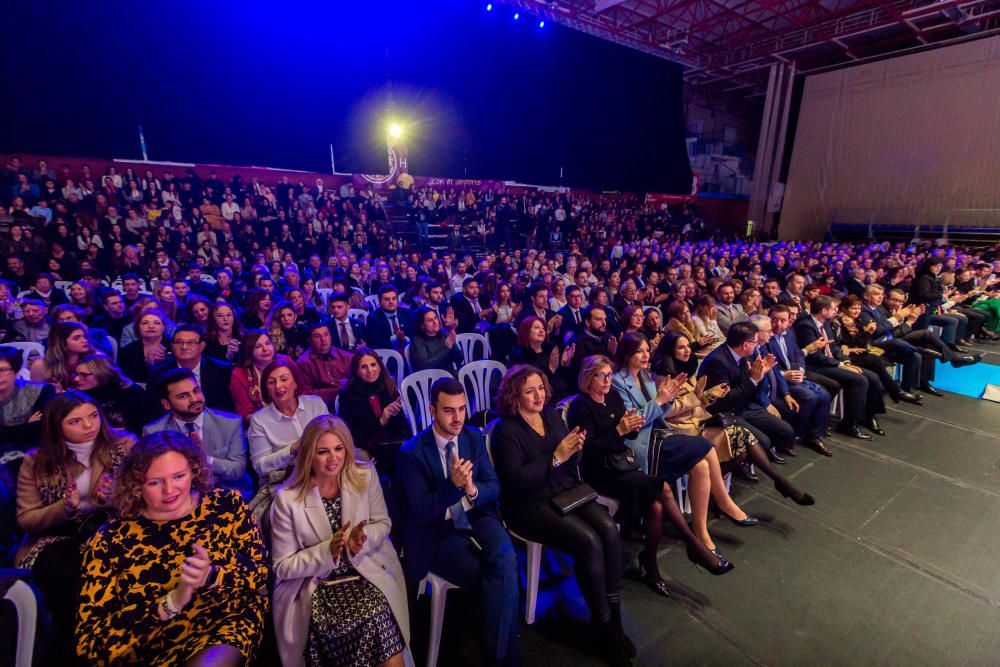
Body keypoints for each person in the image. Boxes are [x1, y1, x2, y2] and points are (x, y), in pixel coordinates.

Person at [490, 365, 641, 666]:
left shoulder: (550, 417)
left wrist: (575, 450)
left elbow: (570, 463)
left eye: (541, 388)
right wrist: (556, 457)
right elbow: (516, 482)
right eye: (529, 390)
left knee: (609, 529)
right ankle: (602, 624)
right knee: (587, 542)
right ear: (514, 394)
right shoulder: (505, 431)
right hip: (529, 504)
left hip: (565, 489)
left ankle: (614, 618)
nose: (538, 395)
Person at [76, 431, 269, 666]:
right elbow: (91, 646)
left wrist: (211, 576)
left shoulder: (226, 504)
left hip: (224, 623)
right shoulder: (110, 540)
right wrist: (170, 603)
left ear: (194, 471)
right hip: (148, 648)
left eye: (179, 476)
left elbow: (259, 572)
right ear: (136, 485)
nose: (170, 490)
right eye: (155, 482)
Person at [568, 354, 736, 598]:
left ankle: (651, 565)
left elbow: (629, 437)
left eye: (608, 374)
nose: (606, 380)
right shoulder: (580, 407)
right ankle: (693, 546)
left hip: (622, 464)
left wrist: (632, 427)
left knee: (657, 508)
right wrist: (619, 430)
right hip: (599, 473)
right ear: (587, 379)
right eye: (600, 376)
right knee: (664, 488)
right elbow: (588, 453)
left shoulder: (613, 397)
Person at [396, 378, 521, 667]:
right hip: (437, 532)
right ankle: (505, 659)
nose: (458, 418)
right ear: (432, 410)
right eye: (449, 411)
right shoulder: (411, 453)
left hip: (477, 514)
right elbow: (423, 511)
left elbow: (494, 486)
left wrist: (472, 490)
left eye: (462, 409)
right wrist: (453, 485)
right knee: (500, 580)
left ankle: (498, 656)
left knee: (506, 561)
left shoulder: (473, 437)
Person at [271, 415, 410, 667]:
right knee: (365, 620)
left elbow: (383, 522)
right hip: (316, 586)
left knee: (377, 613)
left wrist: (362, 539)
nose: (333, 458)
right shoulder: (286, 499)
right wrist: (328, 551)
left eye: (339, 449)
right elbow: (282, 566)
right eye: (323, 452)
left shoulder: (364, 474)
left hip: (364, 573)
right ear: (308, 455)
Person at [14, 392, 134, 662]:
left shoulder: (125, 445)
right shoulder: (37, 461)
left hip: (113, 526)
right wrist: (65, 508)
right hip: (56, 537)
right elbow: (26, 518)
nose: (89, 426)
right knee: (67, 569)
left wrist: (113, 497)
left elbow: (144, 496)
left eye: (93, 417)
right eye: (76, 421)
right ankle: (71, 649)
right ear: (58, 427)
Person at [612, 332, 750, 561]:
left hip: (659, 434)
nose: (646, 355)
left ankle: (701, 529)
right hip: (641, 443)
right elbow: (635, 422)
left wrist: (666, 400)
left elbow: (661, 413)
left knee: (701, 467)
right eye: (640, 351)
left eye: (648, 350)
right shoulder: (618, 381)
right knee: (704, 446)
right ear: (627, 354)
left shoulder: (644, 376)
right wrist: (660, 400)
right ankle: (724, 501)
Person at [657, 332, 816, 500]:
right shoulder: (663, 376)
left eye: (688, 346)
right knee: (748, 440)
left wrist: (710, 394)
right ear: (670, 350)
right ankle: (776, 482)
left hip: (700, 420)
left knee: (745, 446)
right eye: (681, 347)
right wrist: (699, 396)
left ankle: (713, 489)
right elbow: (667, 411)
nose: (687, 350)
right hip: (682, 429)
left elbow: (700, 401)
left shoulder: (687, 369)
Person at [144, 368, 253, 498]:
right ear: (167, 404)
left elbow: (237, 470)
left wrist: (204, 458)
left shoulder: (230, 423)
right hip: (180, 499)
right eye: (183, 396)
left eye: (196, 391)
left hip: (227, 495)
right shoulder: (154, 432)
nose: (194, 399)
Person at [247, 359, 328, 527]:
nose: (278, 386)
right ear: (266, 389)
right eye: (272, 382)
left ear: (296, 382)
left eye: (284, 379)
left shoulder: (315, 404)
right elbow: (260, 466)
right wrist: (291, 449)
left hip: (324, 469)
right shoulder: (259, 420)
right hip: (285, 479)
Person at [793, 296, 886, 439]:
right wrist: (840, 364)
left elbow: (834, 348)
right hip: (815, 366)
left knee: (872, 377)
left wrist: (846, 361)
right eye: (833, 308)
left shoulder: (826, 323)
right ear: (824, 311)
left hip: (829, 361)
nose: (836, 311)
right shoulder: (806, 326)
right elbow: (815, 356)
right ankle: (849, 424)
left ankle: (868, 416)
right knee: (860, 380)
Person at [835, 296, 922, 405]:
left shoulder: (858, 320)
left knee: (876, 368)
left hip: (863, 352)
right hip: (847, 357)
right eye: (853, 308)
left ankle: (896, 392)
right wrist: (867, 333)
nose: (857, 311)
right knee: (874, 362)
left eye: (858, 308)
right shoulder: (840, 322)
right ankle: (896, 392)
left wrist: (866, 333)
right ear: (843, 309)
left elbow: (861, 344)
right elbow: (849, 343)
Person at [337, 347, 409, 467]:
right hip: (364, 445)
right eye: (364, 367)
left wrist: (395, 416)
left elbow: (402, 427)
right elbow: (350, 434)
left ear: (379, 367)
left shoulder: (388, 386)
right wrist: (381, 421)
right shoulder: (347, 394)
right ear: (356, 371)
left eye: (373, 365)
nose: (370, 370)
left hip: (391, 441)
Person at [74, 352, 164, 435]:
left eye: (84, 375)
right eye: (76, 374)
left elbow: (146, 423)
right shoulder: (77, 397)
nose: (76, 379)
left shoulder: (131, 392)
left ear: (102, 373)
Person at [152, 324, 235, 413]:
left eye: (190, 342)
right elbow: (156, 411)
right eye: (179, 342)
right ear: (172, 347)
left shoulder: (222, 370)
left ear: (202, 346)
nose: (184, 347)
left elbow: (227, 408)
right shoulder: (158, 374)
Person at [230, 330, 291, 424]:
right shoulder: (239, 374)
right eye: (258, 346)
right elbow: (246, 414)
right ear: (248, 351)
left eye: (268, 343)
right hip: (261, 423)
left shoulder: (286, 361)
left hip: (292, 414)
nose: (265, 349)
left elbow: (300, 392)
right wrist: (275, 420)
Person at [0, 346, 55, 447]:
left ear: (16, 371)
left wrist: (6, 431)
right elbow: (30, 430)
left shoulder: (41, 391)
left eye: (2, 370)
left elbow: (41, 431)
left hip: (31, 452)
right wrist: (26, 426)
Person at [296, 320, 353, 408]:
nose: (323, 339)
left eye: (326, 334)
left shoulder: (346, 357)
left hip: (349, 402)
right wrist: (338, 391)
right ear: (310, 340)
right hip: (321, 407)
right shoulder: (303, 363)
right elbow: (306, 394)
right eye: (317, 336)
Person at [29, 321, 92, 390]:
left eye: (85, 336)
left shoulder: (96, 358)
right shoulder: (40, 365)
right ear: (61, 342)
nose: (84, 341)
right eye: (76, 338)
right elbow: (37, 395)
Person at [118, 308, 171, 384]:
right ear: (138, 327)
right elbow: (126, 379)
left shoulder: (174, 347)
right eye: (145, 323)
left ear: (163, 327)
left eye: (157, 323)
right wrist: (148, 365)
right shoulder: (127, 351)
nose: (151, 326)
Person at [410, 307, 464, 373]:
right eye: (430, 320)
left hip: (449, 374)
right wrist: (446, 348)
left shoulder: (443, 334)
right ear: (422, 325)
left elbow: (460, 358)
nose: (435, 322)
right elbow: (425, 366)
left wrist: (451, 330)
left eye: (435, 318)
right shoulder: (417, 341)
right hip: (431, 379)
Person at [364, 285, 414, 350]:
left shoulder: (407, 313)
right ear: (380, 302)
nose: (391, 302)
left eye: (394, 298)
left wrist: (406, 339)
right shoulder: (373, 318)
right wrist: (394, 338)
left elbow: (415, 335)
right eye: (387, 299)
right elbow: (374, 343)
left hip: (409, 349)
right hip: (386, 353)